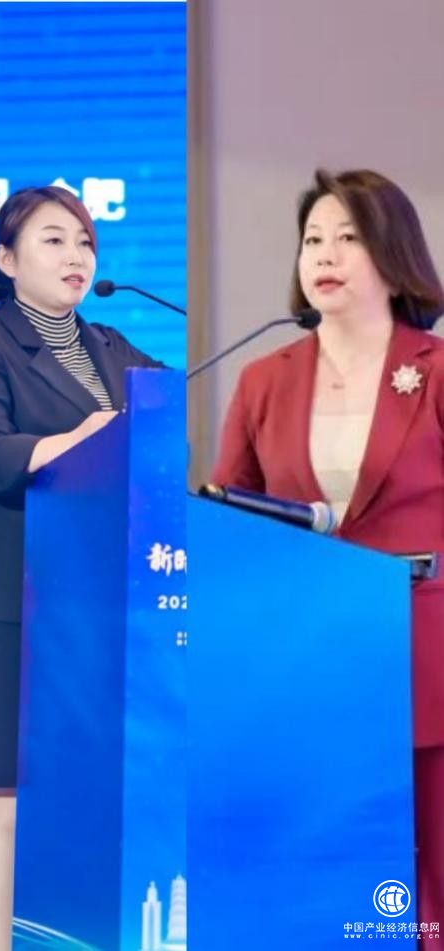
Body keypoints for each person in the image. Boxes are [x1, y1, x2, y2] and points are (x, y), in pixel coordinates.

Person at [212, 168, 444, 939]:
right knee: (328, 875)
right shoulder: (262, 379)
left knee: (431, 873)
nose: (324, 254)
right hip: (307, 655)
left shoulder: (436, 370)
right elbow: (230, 514)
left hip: (422, 650)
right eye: (312, 238)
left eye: (347, 237)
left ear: (393, 257)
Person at [0, 186, 163, 951]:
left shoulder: (112, 346)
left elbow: (163, 432)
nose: (76, 256)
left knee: (88, 790)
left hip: (96, 601)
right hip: (12, 597)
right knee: (7, 793)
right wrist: (81, 439)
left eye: (84, 241)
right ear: (5, 259)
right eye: (53, 240)